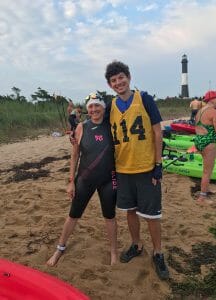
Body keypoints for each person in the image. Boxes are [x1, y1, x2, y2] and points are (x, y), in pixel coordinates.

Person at [104, 60, 169, 280]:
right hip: (123, 169)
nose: (118, 82)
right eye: (113, 80)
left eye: (121, 77)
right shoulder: (110, 106)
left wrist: (158, 165)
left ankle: (158, 252)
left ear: (129, 77)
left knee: (152, 215)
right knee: (130, 211)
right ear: (110, 85)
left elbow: (158, 133)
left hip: (146, 167)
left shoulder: (145, 99)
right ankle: (136, 244)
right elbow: (94, 122)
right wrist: (77, 133)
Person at [47, 94, 117, 266]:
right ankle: (60, 248)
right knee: (73, 215)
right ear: (87, 109)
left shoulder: (112, 126)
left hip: (109, 179)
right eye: (90, 106)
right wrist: (71, 181)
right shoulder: (81, 127)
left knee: (110, 217)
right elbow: (75, 155)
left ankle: (114, 252)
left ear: (103, 107)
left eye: (97, 106)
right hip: (85, 179)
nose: (93, 110)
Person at [194, 90, 216, 205]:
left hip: (199, 141)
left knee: (206, 168)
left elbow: (198, 128)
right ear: (213, 99)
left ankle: (206, 189)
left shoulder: (200, 111)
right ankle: (202, 197)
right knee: (208, 171)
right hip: (208, 143)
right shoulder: (214, 112)